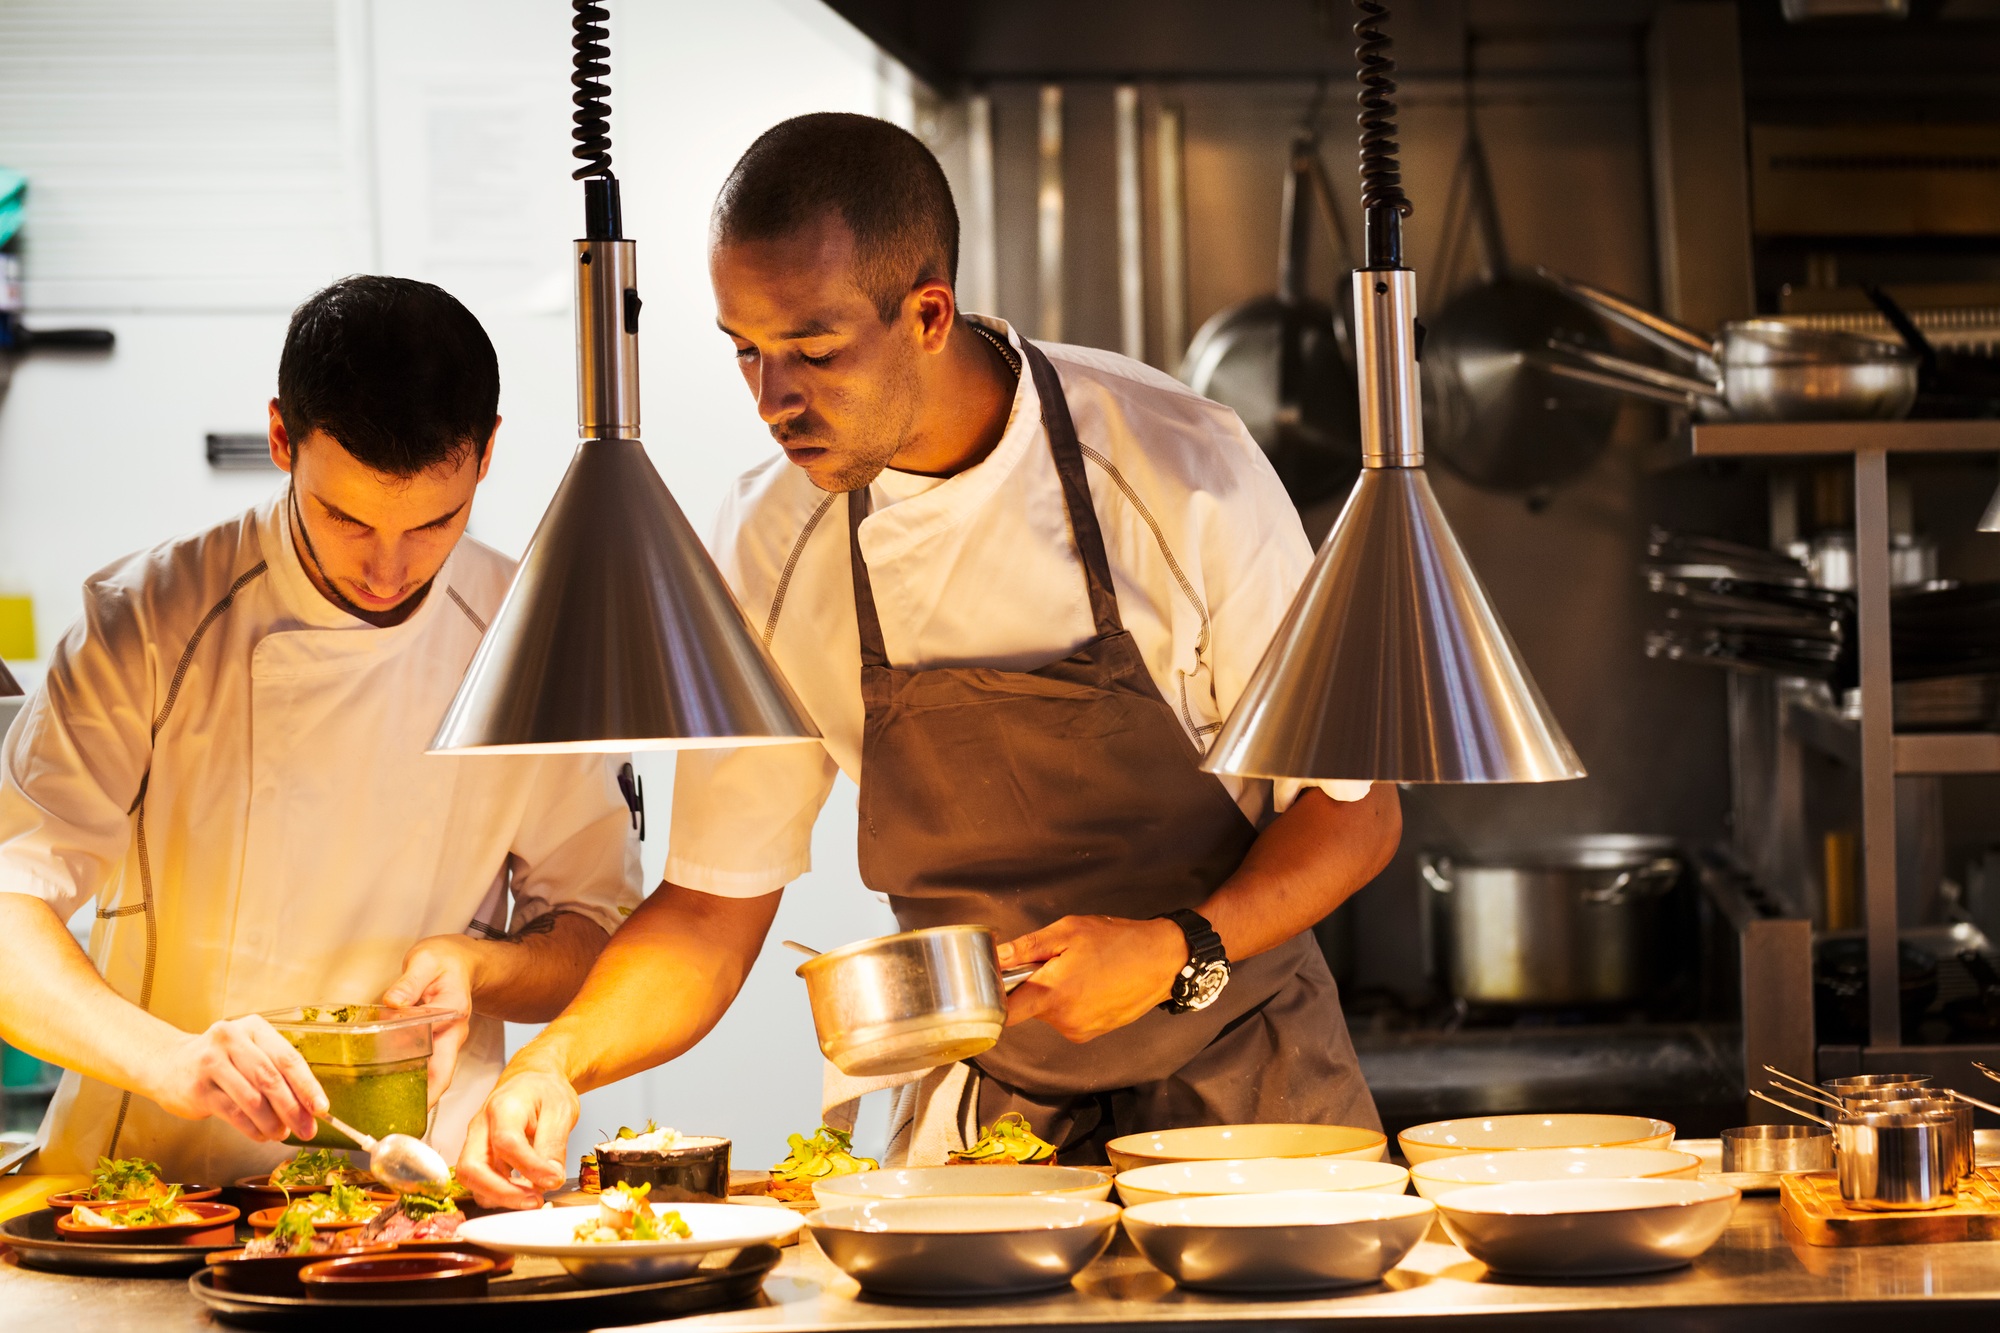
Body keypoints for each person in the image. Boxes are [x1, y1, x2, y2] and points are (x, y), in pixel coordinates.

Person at [458, 113, 1399, 1207]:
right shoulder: (774, 536)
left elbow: (1354, 809)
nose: (771, 403)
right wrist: (552, 1062)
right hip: (992, 1123)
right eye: (744, 351)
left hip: (1251, 1088)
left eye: (811, 352)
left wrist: (1176, 946)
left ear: (927, 314)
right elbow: (714, 907)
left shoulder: (1182, 470)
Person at [0, 276, 642, 1182]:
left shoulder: (532, 636)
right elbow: (7, 912)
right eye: (345, 516)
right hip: (155, 1191)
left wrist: (477, 963)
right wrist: (170, 1061)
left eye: (434, 522)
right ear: (280, 439)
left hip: (422, 1192)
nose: (389, 567)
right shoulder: (147, 623)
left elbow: (592, 937)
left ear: (487, 455)